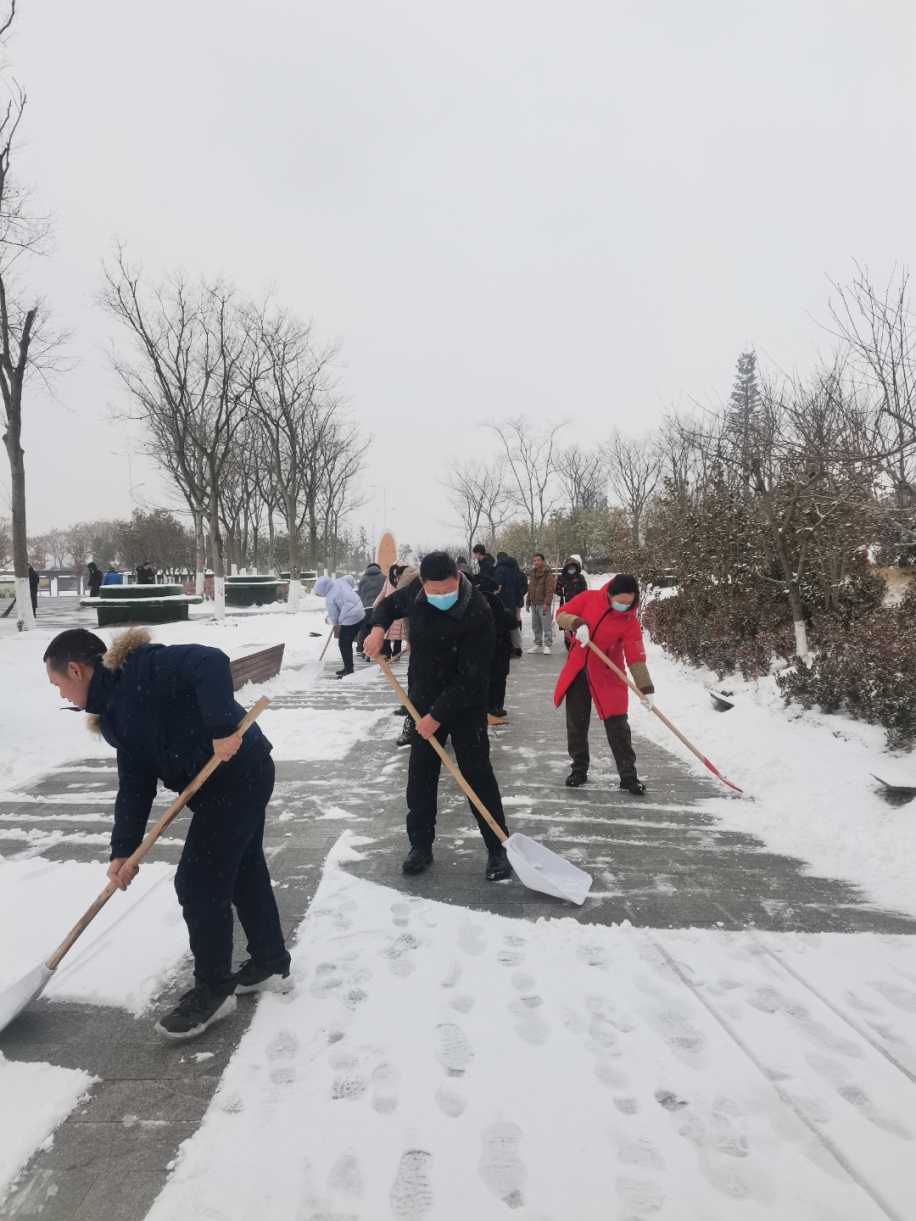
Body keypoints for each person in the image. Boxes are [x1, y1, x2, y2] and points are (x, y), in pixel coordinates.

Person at [43, 627, 291, 1039]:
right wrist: (124, 849)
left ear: (74, 669)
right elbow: (134, 783)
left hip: (240, 772)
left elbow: (209, 660)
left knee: (198, 880)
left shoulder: (142, 667)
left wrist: (221, 727)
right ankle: (270, 963)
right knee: (243, 870)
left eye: (58, 685)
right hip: (217, 786)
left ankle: (214, 990)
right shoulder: (112, 719)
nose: (62, 695)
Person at [365, 551, 511, 880]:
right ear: (422, 583)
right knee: (421, 776)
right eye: (435, 591)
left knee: (477, 775)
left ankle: (497, 847)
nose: (441, 596)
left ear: (458, 579)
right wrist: (376, 629)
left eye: (447, 590)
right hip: (423, 700)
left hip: (466, 706)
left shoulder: (479, 610)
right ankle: (420, 845)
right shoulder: (416, 593)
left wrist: (437, 715)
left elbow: (472, 675)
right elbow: (386, 607)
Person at [554, 573, 655, 795]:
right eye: (621, 601)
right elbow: (560, 615)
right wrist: (577, 624)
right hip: (578, 670)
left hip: (609, 674)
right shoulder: (588, 598)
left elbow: (636, 657)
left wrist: (645, 689)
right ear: (609, 594)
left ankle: (628, 775)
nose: (625, 606)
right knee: (577, 723)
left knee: (618, 725)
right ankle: (578, 768)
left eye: (629, 602)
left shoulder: (629, 621)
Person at [474, 573, 517, 719]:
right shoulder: (505, 612)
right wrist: (517, 648)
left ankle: (484, 707)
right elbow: (514, 632)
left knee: (483, 680)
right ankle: (497, 706)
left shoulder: (474, 609)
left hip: (480, 652)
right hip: (501, 652)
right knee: (499, 680)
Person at [314, 574, 366, 677]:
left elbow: (333, 614)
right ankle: (347, 667)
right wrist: (348, 590)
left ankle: (349, 670)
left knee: (344, 644)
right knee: (346, 642)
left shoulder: (330, 597)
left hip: (351, 618)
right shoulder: (340, 581)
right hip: (361, 613)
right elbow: (350, 578)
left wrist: (335, 623)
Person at [526, 553, 554, 655]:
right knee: (536, 625)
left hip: (543, 604)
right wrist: (528, 603)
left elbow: (550, 589)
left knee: (546, 625)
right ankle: (538, 644)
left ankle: (547, 645)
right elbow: (530, 588)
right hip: (534, 603)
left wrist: (547, 602)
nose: (536, 562)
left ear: (542, 561)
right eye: (534, 561)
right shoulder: (532, 573)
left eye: (538, 560)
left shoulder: (547, 573)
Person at [356, 561, 386, 656]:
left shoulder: (363, 578)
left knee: (364, 627)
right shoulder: (384, 577)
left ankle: (361, 646)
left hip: (366, 607)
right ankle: (381, 647)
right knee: (378, 627)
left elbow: (360, 593)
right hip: (379, 607)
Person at [493, 553, 527, 624]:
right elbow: (520, 586)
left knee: (504, 622)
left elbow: (498, 587)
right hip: (513, 600)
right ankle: (517, 631)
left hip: (503, 601)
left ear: (497, 560)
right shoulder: (515, 570)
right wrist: (518, 597)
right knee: (514, 619)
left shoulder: (499, 570)